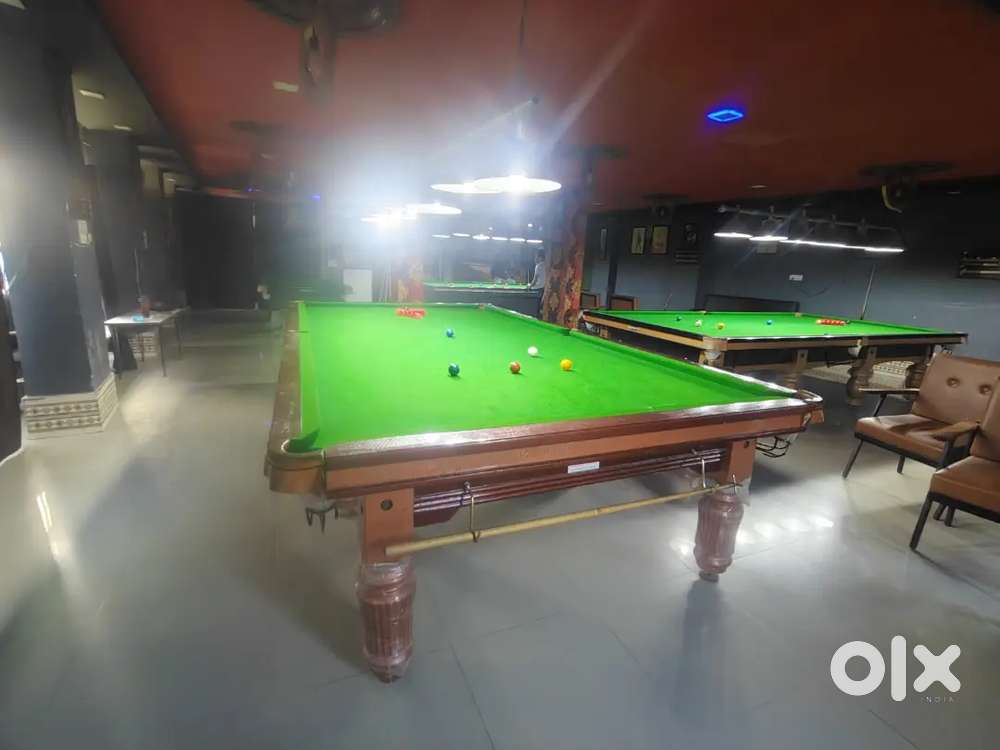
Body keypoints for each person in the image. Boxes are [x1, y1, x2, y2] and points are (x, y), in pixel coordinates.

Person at [529, 248, 546, 317]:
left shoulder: (538, 266)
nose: (535, 258)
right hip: (544, 289)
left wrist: (529, 287)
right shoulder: (547, 264)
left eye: (536, 256)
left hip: (537, 289)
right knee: (539, 307)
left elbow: (534, 280)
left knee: (535, 308)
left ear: (540, 257)